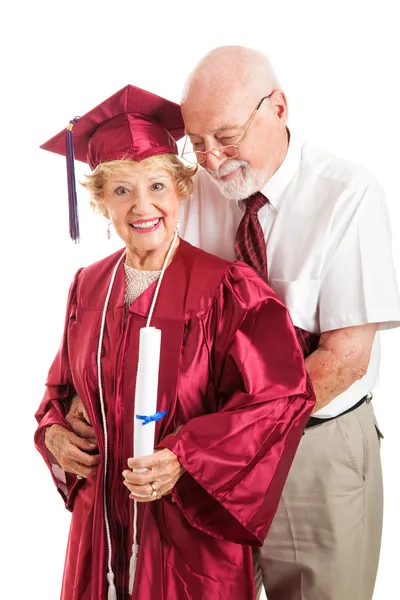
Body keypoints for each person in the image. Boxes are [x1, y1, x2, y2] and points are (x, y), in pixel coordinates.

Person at [34, 84, 315, 600]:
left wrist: (186, 456)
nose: (144, 206)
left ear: (182, 189)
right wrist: (54, 432)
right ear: (100, 203)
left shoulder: (229, 289)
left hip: (189, 535)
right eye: (121, 191)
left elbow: (279, 399)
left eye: (158, 186)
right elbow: (60, 394)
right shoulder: (87, 286)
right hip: (102, 526)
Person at [176, 46, 400, 600]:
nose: (210, 158)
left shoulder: (348, 194)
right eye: (196, 143)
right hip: (206, 451)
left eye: (226, 137)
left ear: (278, 107)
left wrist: (239, 436)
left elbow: (345, 359)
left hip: (313, 449)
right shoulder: (193, 191)